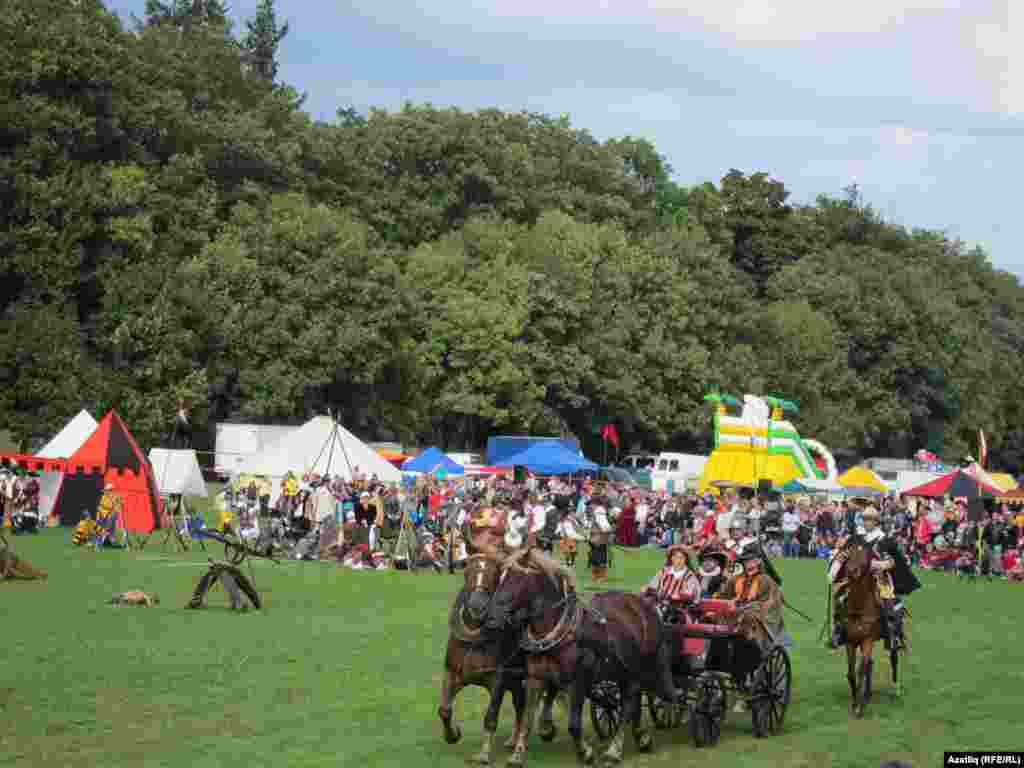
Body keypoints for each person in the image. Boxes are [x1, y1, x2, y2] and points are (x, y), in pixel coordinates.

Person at [828, 506, 920, 650]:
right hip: (855, 578)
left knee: (889, 600)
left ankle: (893, 634)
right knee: (839, 596)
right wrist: (834, 570)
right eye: (864, 519)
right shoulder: (855, 538)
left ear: (877, 521)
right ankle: (839, 630)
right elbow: (842, 555)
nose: (866, 522)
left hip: (878, 577)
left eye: (870, 520)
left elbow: (892, 562)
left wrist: (875, 564)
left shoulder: (885, 540)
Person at [642, 543, 700, 621]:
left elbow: (688, 595)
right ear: (671, 558)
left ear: (686, 560)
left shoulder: (690, 576)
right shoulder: (663, 572)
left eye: (681, 558)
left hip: (680, 608)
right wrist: (647, 589)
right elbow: (652, 586)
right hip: (660, 604)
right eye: (676, 557)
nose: (678, 560)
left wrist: (672, 597)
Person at [589, 499, 612, 582]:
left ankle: (601, 577)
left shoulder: (598, 513)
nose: (590, 506)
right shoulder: (598, 513)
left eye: (591, 504)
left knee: (599, 558)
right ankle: (597, 576)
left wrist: (604, 534)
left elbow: (605, 526)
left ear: (595, 504)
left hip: (598, 538)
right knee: (596, 558)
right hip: (597, 538)